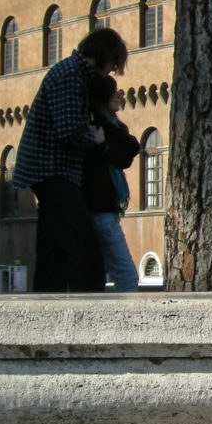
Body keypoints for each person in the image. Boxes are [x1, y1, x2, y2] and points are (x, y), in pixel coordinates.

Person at [13, 28, 128, 292]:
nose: (110, 71)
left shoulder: (71, 73)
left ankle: (45, 309)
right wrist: (97, 139)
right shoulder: (71, 76)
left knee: (52, 250)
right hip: (53, 171)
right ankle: (88, 311)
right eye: (112, 64)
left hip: (48, 171)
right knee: (85, 246)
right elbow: (68, 132)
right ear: (103, 56)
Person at [81, 75, 142, 292]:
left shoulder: (107, 128)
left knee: (98, 275)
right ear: (101, 97)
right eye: (112, 91)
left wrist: (105, 145)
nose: (119, 94)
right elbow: (132, 146)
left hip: (106, 209)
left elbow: (126, 157)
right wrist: (106, 144)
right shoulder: (96, 123)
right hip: (100, 210)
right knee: (126, 275)